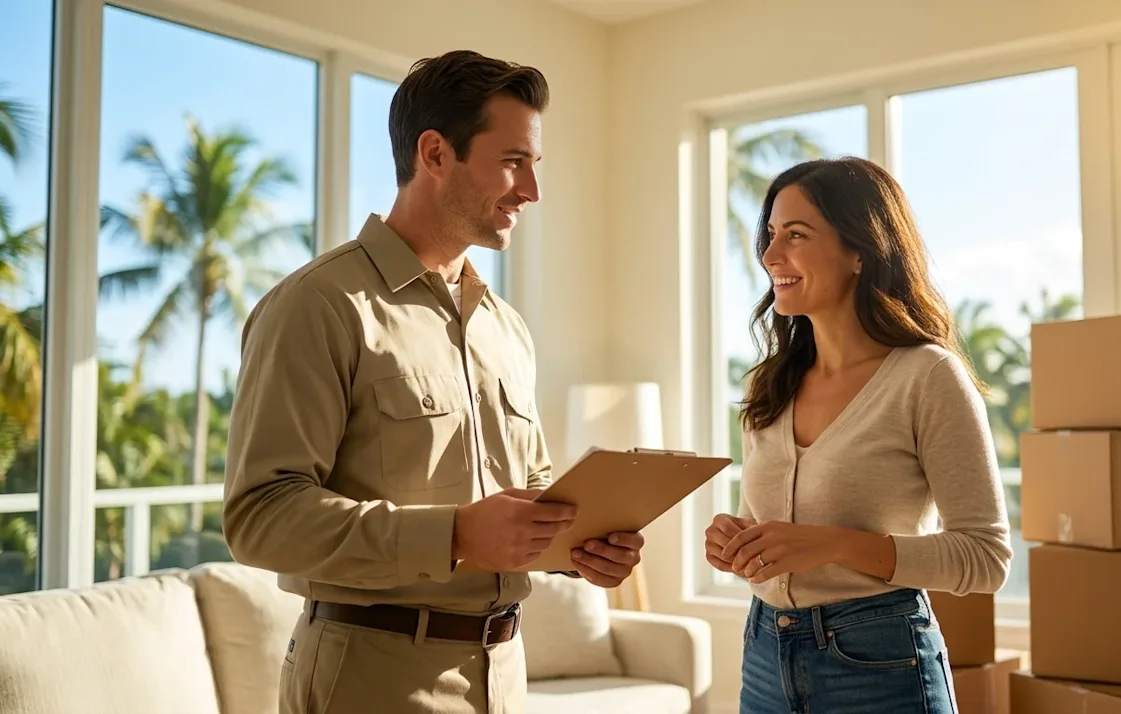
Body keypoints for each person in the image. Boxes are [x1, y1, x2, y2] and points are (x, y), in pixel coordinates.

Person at [222, 50, 644, 714]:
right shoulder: (320, 305)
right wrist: (453, 535)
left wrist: (575, 549)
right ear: (435, 153)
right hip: (369, 679)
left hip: (504, 674)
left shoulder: (507, 328)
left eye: (534, 166)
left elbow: (530, 489)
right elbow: (259, 519)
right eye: (513, 162)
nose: (531, 191)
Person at [705, 157, 1013, 714]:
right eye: (771, 235)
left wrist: (832, 544)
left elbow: (986, 558)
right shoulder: (770, 385)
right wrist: (740, 540)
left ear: (860, 252)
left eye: (796, 235)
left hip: (877, 659)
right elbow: (776, 531)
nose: (771, 256)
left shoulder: (926, 376)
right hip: (764, 651)